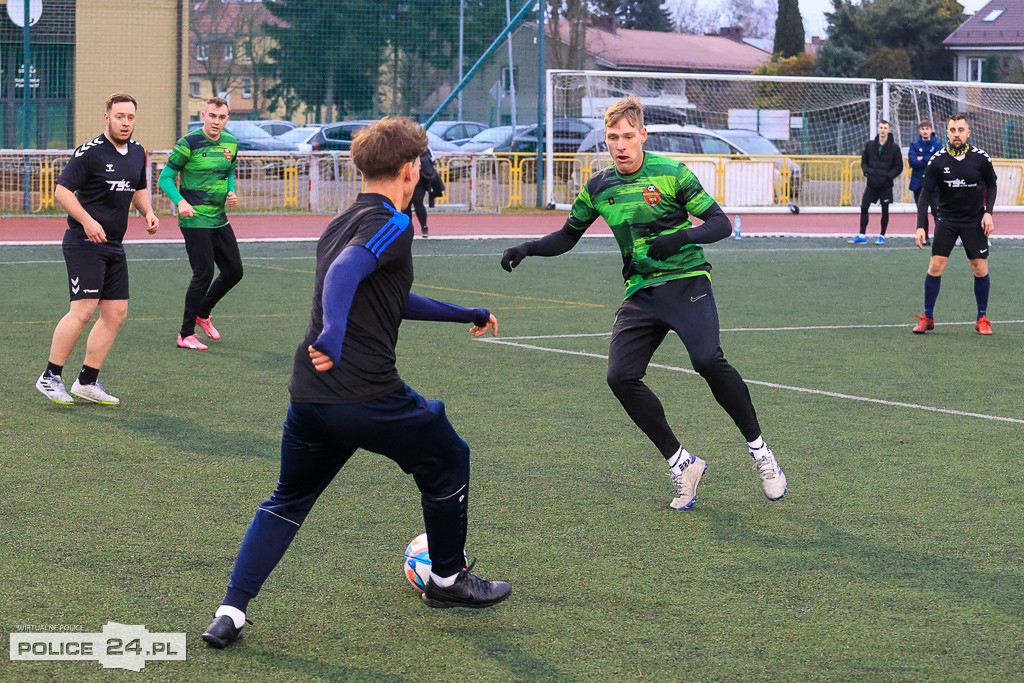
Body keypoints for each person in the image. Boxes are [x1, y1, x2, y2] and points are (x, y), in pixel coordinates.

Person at [201, 117, 510, 649]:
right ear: (409, 169)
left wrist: (464, 312)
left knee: (287, 499)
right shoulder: (394, 222)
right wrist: (335, 334)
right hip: (365, 396)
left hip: (310, 398)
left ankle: (231, 610)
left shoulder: (342, 219)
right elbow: (346, 273)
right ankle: (447, 581)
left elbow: (387, 297)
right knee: (448, 456)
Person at [499, 95, 787, 511]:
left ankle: (761, 453)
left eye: (628, 136)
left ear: (642, 136)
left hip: (687, 280)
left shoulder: (671, 173)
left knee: (707, 360)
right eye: (612, 137)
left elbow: (720, 223)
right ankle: (681, 462)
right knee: (620, 376)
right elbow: (566, 237)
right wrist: (527, 247)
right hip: (641, 290)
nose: (620, 145)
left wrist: (680, 237)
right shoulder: (599, 187)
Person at [35, 92, 159, 406]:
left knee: (116, 314)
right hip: (84, 242)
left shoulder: (137, 152)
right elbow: (62, 191)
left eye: (130, 117)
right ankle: (50, 376)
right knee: (84, 309)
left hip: (114, 245)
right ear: (107, 118)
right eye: (120, 116)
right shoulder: (89, 153)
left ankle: (87, 381)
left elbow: (138, 189)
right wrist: (88, 221)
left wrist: (148, 212)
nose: (126, 122)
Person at [158, 97, 243, 350]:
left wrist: (231, 191)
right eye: (212, 116)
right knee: (203, 273)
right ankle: (185, 334)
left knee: (234, 272)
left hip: (218, 218)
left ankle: (203, 313)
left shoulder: (231, 143)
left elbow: (228, 172)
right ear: (203, 115)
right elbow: (165, 178)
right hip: (194, 219)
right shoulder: (188, 143)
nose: (216, 122)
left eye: (222, 117)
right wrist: (180, 202)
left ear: (227, 119)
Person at [912, 112, 997, 336]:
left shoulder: (981, 158)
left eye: (960, 130)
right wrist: (921, 225)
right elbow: (925, 192)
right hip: (947, 220)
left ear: (968, 133)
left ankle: (982, 318)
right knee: (935, 266)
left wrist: (988, 213)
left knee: (979, 268)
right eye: (952, 130)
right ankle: (928, 317)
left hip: (974, 220)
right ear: (947, 132)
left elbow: (992, 186)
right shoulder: (937, 160)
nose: (956, 134)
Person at [850, 120, 903, 244]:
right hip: (872, 183)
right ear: (878, 129)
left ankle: (882, 235)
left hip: (885, 185)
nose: (883, 130)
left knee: (885, 209)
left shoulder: (894, 148)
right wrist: (867, 172)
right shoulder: (870, 145)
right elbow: (864, 161)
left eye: (885, 128)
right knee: (864, 207)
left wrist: (888, 176)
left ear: (889, 130)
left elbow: (899, 166)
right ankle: (862, 234)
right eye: (881, 127)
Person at [908, 120, 943, 246]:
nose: (925, 131)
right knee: (921, 211)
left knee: (936, 210)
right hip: (918, 184)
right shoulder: (914, 145)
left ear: (931, 130)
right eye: (923, 129)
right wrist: (927, 159)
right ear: (919, 130)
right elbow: (912, 162)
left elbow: (937, 160)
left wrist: (922, 158)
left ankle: (940, 237)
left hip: (935, 185)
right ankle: (925, 237)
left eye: (927, 128)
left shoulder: (938, 145)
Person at [403, 148, 444, 238]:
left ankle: (424, 227)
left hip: (420, 181)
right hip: (405, 179)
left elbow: (431, 162)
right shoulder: (403, 146)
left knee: (417, 202)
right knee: (406, 205)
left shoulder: (425, 149)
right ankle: (407, 229)